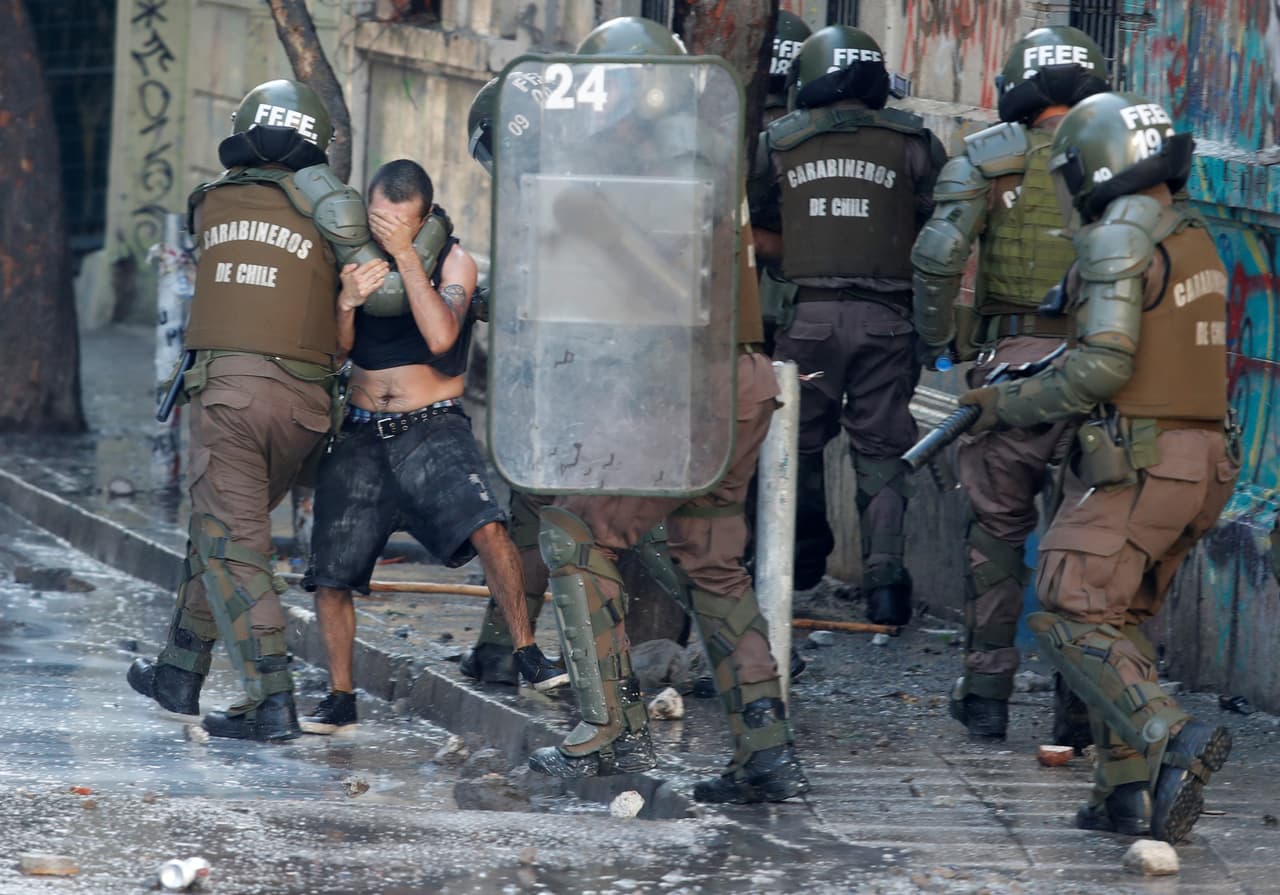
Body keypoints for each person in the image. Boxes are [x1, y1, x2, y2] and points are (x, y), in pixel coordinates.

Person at [497, 17, 808, 803]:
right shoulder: (707, 152)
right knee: (713, 564)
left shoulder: (638, 162)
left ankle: (608, 732)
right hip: (740, 382)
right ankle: (765, 750)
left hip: (682, 384)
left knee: (573, 529)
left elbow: (645, 294)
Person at [958, 91, 1238, 843]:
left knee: (1066, 602)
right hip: (1203, 460)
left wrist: (1001, 407)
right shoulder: (1194, 234)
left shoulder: (1120, 236)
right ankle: (1127, 797)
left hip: (1142, 456)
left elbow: (1102, 367)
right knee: (1116, 619)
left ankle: (1169, 737)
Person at [127, 79, 393, 741]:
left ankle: (270, 700)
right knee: (219, 534)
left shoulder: (211, 201)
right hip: (305, 409)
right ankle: (178, 671)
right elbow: (375, 287)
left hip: (230, 399)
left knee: (234, 544)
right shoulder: (332, 209)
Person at [300, 159, 566, 733]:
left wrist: (406, 259)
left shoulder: (454, 261)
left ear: (423, 221)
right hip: (363, 430)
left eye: (401, 224)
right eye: (379, 222)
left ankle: (525, 651)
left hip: (433, 425)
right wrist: (346, 301)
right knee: (329, 574)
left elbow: (442, 333)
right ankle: (341, 696)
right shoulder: (353, 258)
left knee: (490, 528)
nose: (386, 232)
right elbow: (336, 355)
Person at [910, 26, 1109, 741]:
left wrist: (937, 347)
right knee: (1087, 539)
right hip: (1103, 362)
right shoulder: (1124, 155)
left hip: (1013, 359)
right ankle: (1079, 708)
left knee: (996, 528)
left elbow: (938, 258)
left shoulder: (991, 158)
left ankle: (988, 690)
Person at [750, 25, 946, 624]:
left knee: (794, 442)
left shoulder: (777, 142)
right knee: (883, 449)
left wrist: (800, 245)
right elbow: (940, 233)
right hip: (889, 323)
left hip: (805, 320)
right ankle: (886, 584)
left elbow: (750, 230)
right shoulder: (917, 142)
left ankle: (800, 556)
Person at [457, 72, 561, 687]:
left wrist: (465, 298)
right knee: (532, 519)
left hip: (571, 385)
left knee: (541, 522)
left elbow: (530, 294)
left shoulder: (551, 197)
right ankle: (499, 648)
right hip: (588, 385)